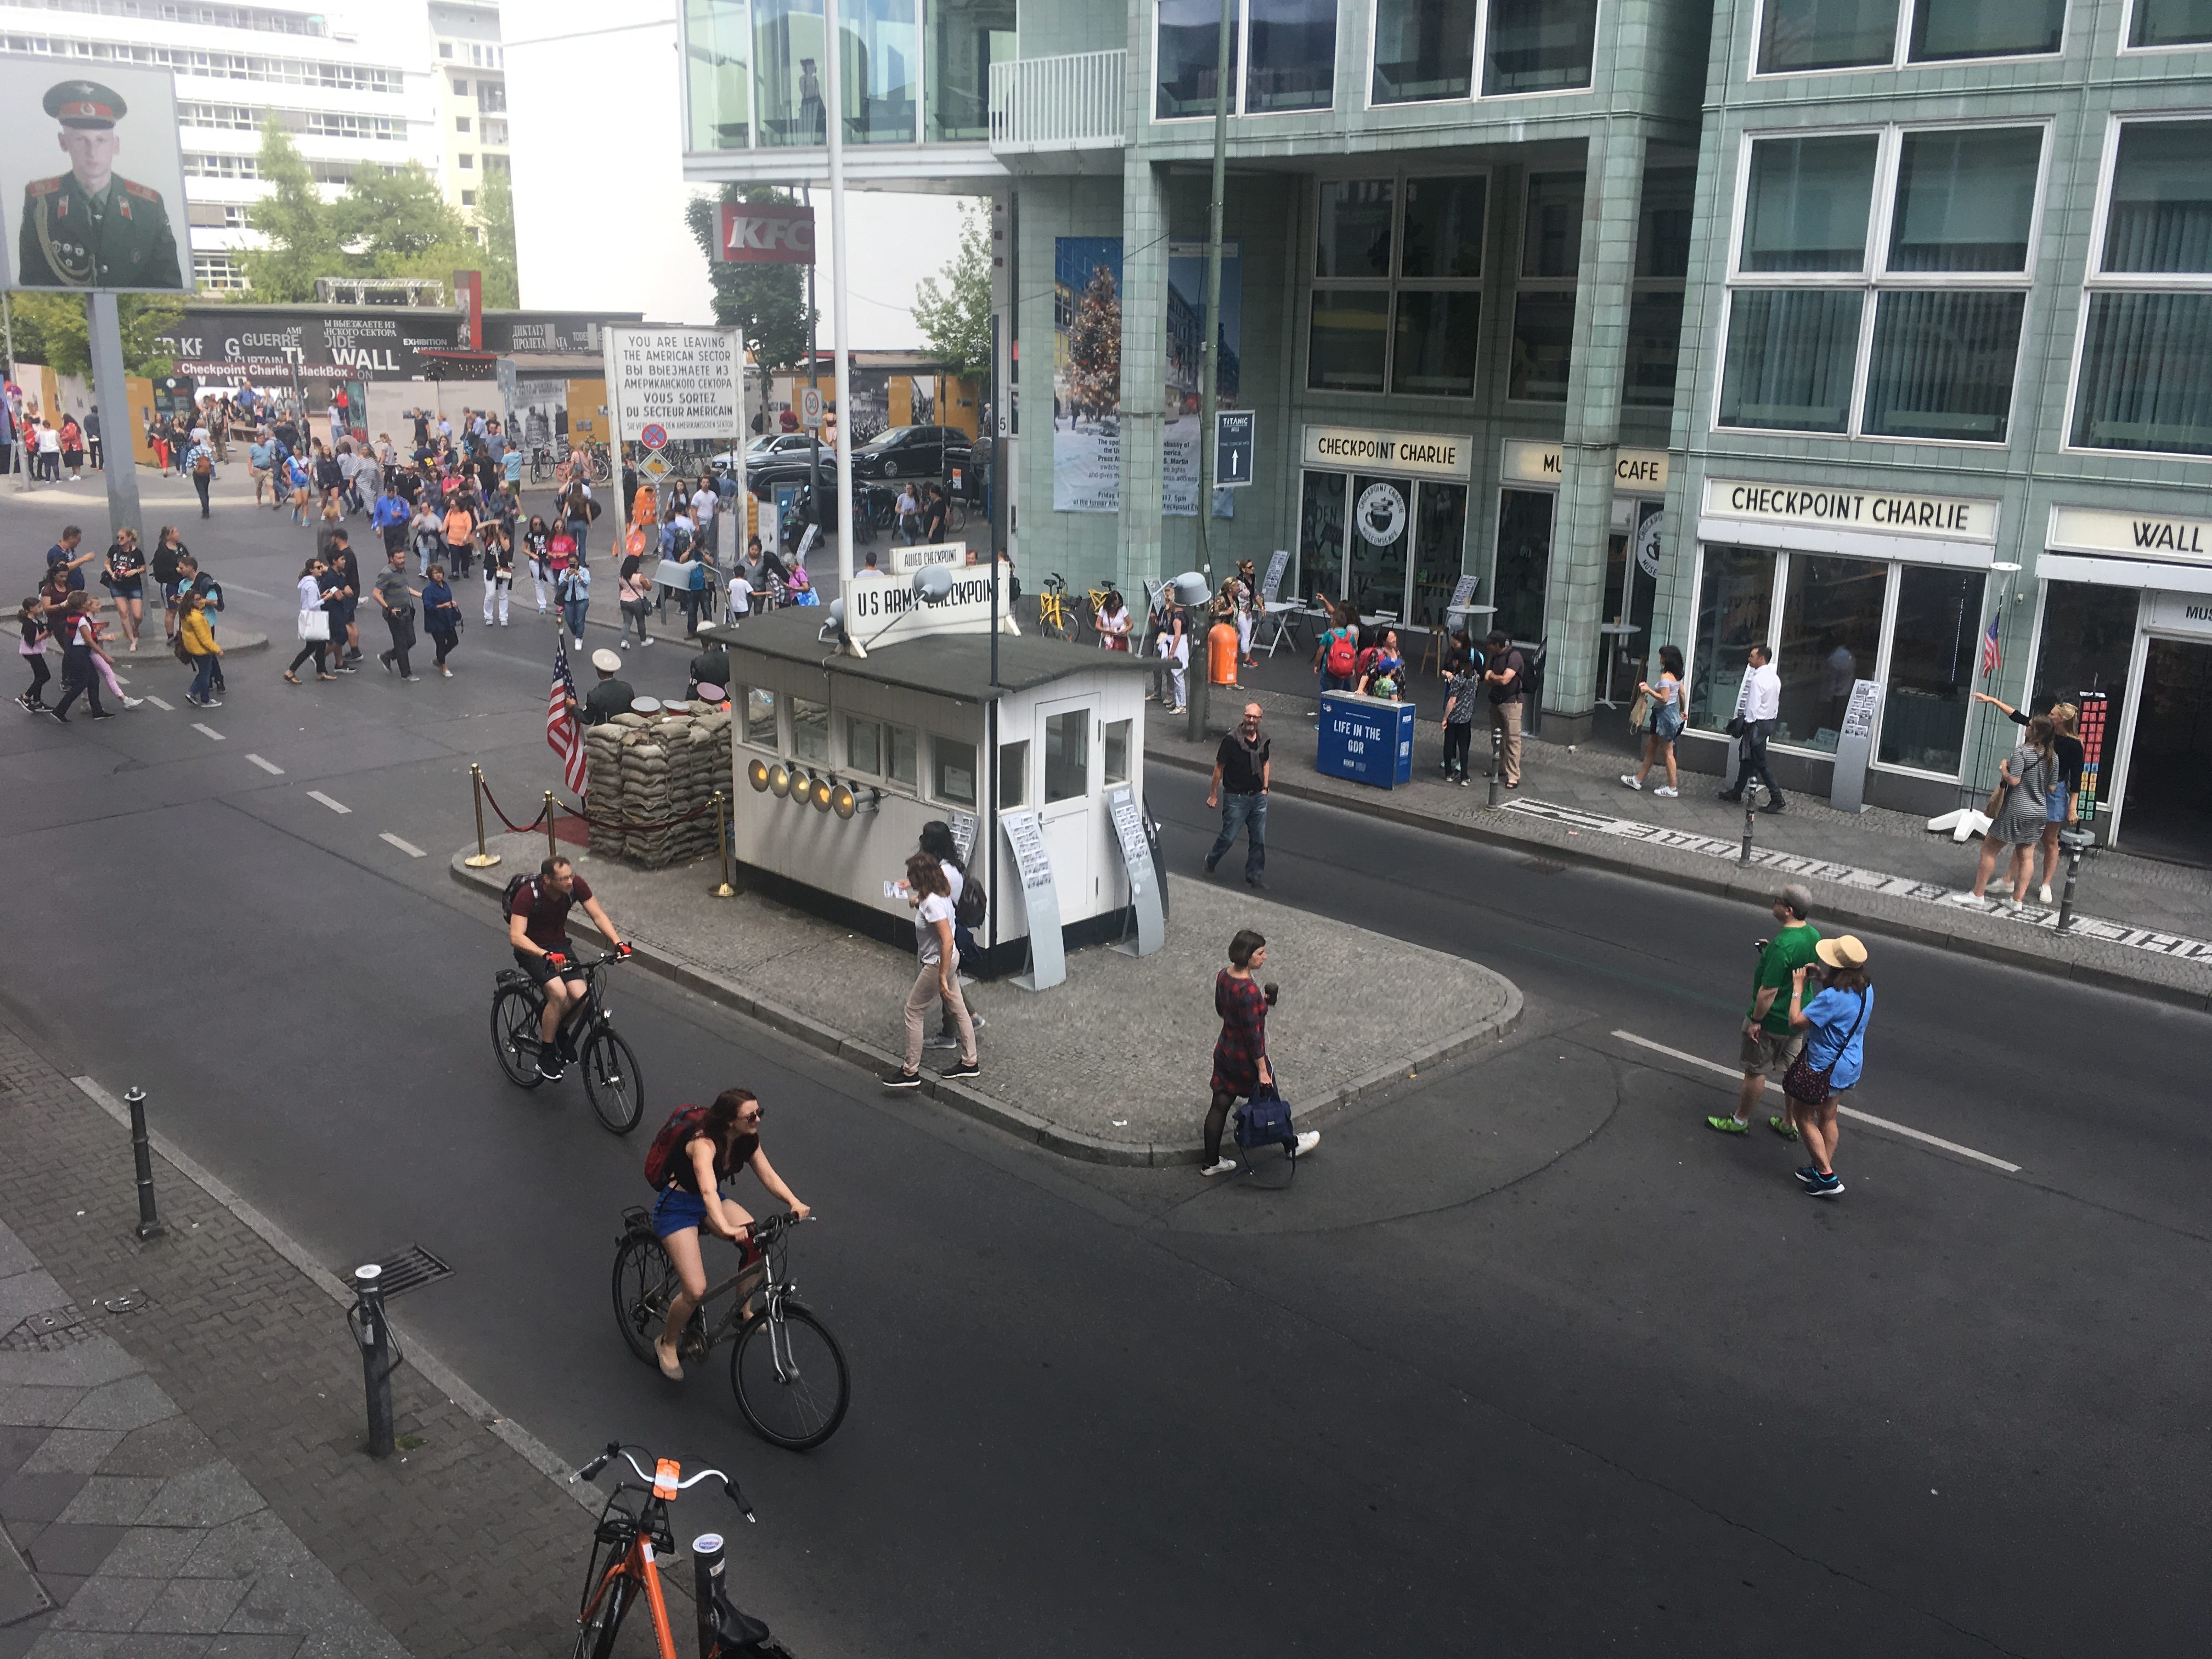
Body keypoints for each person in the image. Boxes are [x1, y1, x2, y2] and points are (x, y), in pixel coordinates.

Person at [647, 1087, 809, 1382]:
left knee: (757, 1242)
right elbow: (707, 1189)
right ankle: (667, 1344)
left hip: (712, 1203)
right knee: (695, 1290)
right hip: (678, 1207)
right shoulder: (703, 1144)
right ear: (729, 1121)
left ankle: (742, 1312)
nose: (758, 1119)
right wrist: (724, 1227)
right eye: (751, 1115)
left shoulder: (747, 1140)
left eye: (760, 1112)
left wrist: (794, 1202)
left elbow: (768, 1175)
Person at [15, 80, 183, 289]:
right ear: (63, 142)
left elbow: (169, 285)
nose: (92, 152)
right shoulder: (42, 203)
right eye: (81, 140)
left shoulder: (148, 205)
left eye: (101, 141)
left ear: (116, 145)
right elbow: (33, 284)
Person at [1201, 929, 1319, 1177]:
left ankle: (1211, 1162)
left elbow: (1222, 1010)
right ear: (1247, 955)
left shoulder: (1224, 976)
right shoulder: (1249, 992)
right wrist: (1263, 1070)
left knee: (1220, 1103)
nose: (1265, 957)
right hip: (1247, 1060)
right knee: (1271, 1098)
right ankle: (1291, 1145)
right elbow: (1254, 1037)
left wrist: (1260, 1005)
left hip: (1225, 1050)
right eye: (1260, 953)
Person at [1707, 884, 1821, 1137]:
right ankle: (1789, 1123)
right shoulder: (1814, 935)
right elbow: (1801, 967)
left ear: (1788, 910)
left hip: (1773, 1019)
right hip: (1799, 1017)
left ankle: (1740, 1120)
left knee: (1755, 1071)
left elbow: (1768, 991)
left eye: (1777, 900)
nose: (1774, 903)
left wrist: (1757, 1020)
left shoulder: (1783, 946)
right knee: (1792, 1073)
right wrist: (1769, 952)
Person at [506, 856, 629, 1081]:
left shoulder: (576, 886)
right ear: (547, 880)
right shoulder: (528, 895)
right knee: (559, 993)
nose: (570, 882)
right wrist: (545, 955)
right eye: (563, 879)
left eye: (571, 876)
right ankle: (546, 1053)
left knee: (582, 996)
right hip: (532, 949)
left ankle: (560, 1033)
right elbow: (516, 936)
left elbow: (597, 915)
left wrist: (618, 942)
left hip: (559, 947)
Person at [1780, 935, 1871, 1200]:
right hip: (1850, 1062)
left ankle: (1827, 1175)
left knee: (1803, 1115)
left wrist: (1798, 987)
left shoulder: (1831, 997)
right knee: (1829, 1115)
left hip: (1824, 1065)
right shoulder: (1866, 988)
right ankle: (1820, 1170)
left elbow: (1797, 1021)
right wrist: (1822, 979)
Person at [1972, 693, 2085, 904]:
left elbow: (2076, 778)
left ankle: (2046, 884)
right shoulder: (2044, 731)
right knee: (2025, 842)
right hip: (2037, 790)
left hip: (2054, 792)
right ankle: (2009, 881)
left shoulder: (2073, 745)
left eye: (2052, 714)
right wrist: (1995, 702)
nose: (2048, 715)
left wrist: (2072, 807)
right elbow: (2017, 716)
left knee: (2050, 840)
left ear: (2061, 719)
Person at [881, 851, 980, 1090]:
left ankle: (910, 1071)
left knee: (913, 1012)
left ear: (922, 877)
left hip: (938, 963)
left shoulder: (933, 904)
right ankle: (970, 1062)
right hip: (950, 959)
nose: (908, 879)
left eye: (911, 876)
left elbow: (946, 940)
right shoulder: (938, 894)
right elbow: (924, 902)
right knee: (959, 1009)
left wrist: (942, 979)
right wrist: (913, 897)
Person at [1956, 714, 2057, 911]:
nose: (2026, 729)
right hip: (2038, 811)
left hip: (2015, 809)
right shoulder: (2053, 756)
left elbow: (2014, 781)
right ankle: (2017, 901)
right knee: (2027, 855)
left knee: (1989, 850)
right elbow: (2052, 788)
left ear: (2035, 732)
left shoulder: (2022, 752)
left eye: (2029, 726)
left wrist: (2004, 769)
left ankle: (1978, 894)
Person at [1205, 703, 1270, 888]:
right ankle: (1211, 860)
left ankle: (1254, 876)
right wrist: (1213, 795)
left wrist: (1265, 788)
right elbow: (1219, 769)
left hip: (1258, 797)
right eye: (1248, 716)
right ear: (1243, 716)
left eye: (1254, 717)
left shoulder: (1263, 739)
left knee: (1259, 839)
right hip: (1236, 798)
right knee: (1229, 837)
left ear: (1260, 719)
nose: (1251, 720)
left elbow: (1266, 762)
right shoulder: (1231, 741)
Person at [1718, 642, 1785, 810]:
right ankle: (1737, 791)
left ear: (1761, 659)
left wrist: (1746, 724)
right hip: (1768, 722)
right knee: (1747, 758)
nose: (1749, 659)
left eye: (1752, 656)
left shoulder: (1757, 680)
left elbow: (1753, 707)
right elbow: (1774, 703)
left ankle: (1777, 798)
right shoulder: (1774, 678)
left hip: (1756, 724)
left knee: (1760, 762)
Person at [1622, 645, 1688, 797]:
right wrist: (1682, 711)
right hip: (1668, 714)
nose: (1660, 658)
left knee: (1667, 752)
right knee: (1651, 747)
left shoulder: (1665, 678)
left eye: (1662, 656)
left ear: (1667, 659)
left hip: (1663, 716)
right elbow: (1682, 694)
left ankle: (1672, 787)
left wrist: (1648, 690)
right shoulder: (1678, 676)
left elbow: (1664, 699)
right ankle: (1638, 779)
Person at [47, 594, 110, 721]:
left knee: (93, 680)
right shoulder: (82, 620)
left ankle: (97, 711)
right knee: (81, 683)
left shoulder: (72, 616)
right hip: (80, 652)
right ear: (83, 605)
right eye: (88, 601)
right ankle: (59, 710)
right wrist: (104, 655)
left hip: (74, 651)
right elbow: (89, 641)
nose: (90, 602)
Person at [1482, 630, 1526, 787]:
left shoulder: (1514, 657)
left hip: (1512, 703)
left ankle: (1513, 775)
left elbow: (1505, 680)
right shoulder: (1495, 656)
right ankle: (1499, 768)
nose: (1488, 648)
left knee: (1513, 740)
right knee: (1497, 738)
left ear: (1497, 645)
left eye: (1490, 645)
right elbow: (1486, 678)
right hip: (1496, 701)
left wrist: (1493, 676)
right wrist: (1494, 678)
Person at [283, 558, 335, 685]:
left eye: (321, 567)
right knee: (311, 647)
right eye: (318, 568)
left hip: (310, 617)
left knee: (320, 645)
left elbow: (309, 601)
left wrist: (321, 596)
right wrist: (326, 599)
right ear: (311, 570)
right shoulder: (312, 585)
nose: (321, 570)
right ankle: (291, 671)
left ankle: (321, 672)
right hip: (313, 618)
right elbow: (312, 605)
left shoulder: (308, 583)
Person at [373, 549, 422, 681]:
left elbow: (403, 587)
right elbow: (376, 594)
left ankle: (388, 656)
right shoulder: (386, 573)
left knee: (411, 640)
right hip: (395, 614)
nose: (402, 561)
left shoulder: (401, 570)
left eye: (403, 558)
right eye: (399, 558)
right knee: (401, 643)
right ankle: (406, 674)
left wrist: (420, 595)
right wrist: (389, 608)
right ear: (391, 559)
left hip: (406, 610)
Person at [100, 528, 145, 652]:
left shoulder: (137, 553)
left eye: (122, 538)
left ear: (129, 538)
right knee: (123, 612)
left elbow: (143, 568)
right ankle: (132, 639)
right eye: (118, 538)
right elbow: (107, 563)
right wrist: (111, 573)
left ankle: (135, 627)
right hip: (117, 584)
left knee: (137, 615)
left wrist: (134, 571)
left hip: (133, 585)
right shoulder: (114, 549)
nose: (120, 541)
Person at [1441, 646, 1478, 785]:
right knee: (1464, 747)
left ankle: (1449, 774)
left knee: (1449, 744)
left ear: (1457, 661)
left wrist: (1445, 718)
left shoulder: (1458, 679)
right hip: (1467, 717)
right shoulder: (1473, 675)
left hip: (1454, 716)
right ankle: (1464, 776)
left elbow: (1452, 700)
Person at [178, 590, 222, 708]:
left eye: (200, 599)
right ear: (191, 601)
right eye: (197, 599)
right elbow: (204, 639)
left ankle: (192, 693)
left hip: (192, 648)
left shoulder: (186, 612)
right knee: (205, 674)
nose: (200, 601)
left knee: (204, 672)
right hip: (201, 650)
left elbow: (200, 603)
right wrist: (217, 649)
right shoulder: (196, 618)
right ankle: (205, 700)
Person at [423, 563, 462, 678]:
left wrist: (452, 603)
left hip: (447, 619)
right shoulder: (428, 590)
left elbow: (448, 599)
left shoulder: (445, 585)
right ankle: (443, 666)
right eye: (435, 573)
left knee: (453, 641)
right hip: (435, 621)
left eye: (440, 572)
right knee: (440, 643)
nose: (438, 575)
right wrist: (442, 606)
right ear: (431, 576)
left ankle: (439, 659)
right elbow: (428, 606)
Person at [1154, 601, 1189, 715]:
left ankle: (1181, 704)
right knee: (1177, 676)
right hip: (1181, 647)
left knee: (1178, 677)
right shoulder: (1183, 615)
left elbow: (1177, 636)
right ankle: (1178, 701)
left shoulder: (1177, 619)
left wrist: (1171, 653)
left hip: (1178, 649)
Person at [18, 596, 52, 712]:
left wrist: (48, 632)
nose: (41, 609)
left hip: (35, 652)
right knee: (45, 675)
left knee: (39, 676)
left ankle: (37, 702)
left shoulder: (36, 621)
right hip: (30, 652)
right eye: (39, 607)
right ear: (31, 609)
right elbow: (31, 641)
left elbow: (42, 632)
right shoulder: (28, 624)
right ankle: (26, 697)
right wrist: (45, 634)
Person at [583, 648, 633, 725]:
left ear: (598, 671)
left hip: (603, 731)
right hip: (624, 729)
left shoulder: (594, 695)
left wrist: (574, 707)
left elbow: (587, 719)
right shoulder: (627, 688)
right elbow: (632, 712)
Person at [1355, 628, 1406, 701]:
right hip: (1382, 695)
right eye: (1391, 639)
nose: (1394, 640)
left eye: (1395, 636)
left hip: (1399, 694)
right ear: (1384, 641)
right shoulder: (1378, 654)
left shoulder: (1397, 652)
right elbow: (1367, 672)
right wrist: (1360, 689)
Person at [481, 521, 513, 626]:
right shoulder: (488, 538)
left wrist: (500, 535)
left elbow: (506, 548)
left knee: (503, 595)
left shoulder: (506, 538)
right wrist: (491, 521)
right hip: (489, 568)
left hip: (502, 569)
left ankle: (504, 616)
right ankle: (488, 616)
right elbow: (478, 527)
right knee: (490, 594)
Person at [556, 554, 591, 649]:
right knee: (570, 621)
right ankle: (577, 633)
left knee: (580, 620)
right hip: (569, 600)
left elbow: (587, 583)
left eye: (574, 563)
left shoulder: (584, 571)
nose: (573, 565)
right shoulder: (564, 572)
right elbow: (560, 584)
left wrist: (579, 576)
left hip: (582, 600)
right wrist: (567, 577)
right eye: (571, 563)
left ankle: (579, 638)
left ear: (578, 562)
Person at [523, 514, 554, 613]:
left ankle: (559, 601)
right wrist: (532, 555)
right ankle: (542, 604)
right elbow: (524, 549)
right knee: (539, 582)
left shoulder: (547, 533)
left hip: (546, 559)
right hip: (535, 561)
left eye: (539, 524)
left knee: (553, 581)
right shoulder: (529, 535)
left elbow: (552, 544)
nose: (537, 526)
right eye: (535, 524)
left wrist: (550, 554)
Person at [1206, 603, 1239, 689]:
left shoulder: (1234, 600)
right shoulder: (1222, 600)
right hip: (1221, 631)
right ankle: (1214, 677)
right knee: (1221, 655)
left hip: (1228, 632)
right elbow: (1213, 612)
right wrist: (1225, 613)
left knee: (1227, 656)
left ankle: (1217, 677)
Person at [186, 432, 216, 517]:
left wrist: (195, 466)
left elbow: (188, 465)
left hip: (197, 474)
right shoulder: (206, 451)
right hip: (206, 474)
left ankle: (205, 511)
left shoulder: (192, 452)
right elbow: (212, 463)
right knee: (206, 491)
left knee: (201, 492)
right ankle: (207, 509)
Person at [1094, 586, 1131, 651]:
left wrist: (1125, 630)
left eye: (1117, 605)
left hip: (1120, 639)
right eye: (1114, 605)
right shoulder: (1103, 610)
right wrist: (1106, 631)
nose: (1115, 607)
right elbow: (1097, 626)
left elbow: (1131, 624)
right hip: (1107, 638)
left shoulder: (1122, 609)